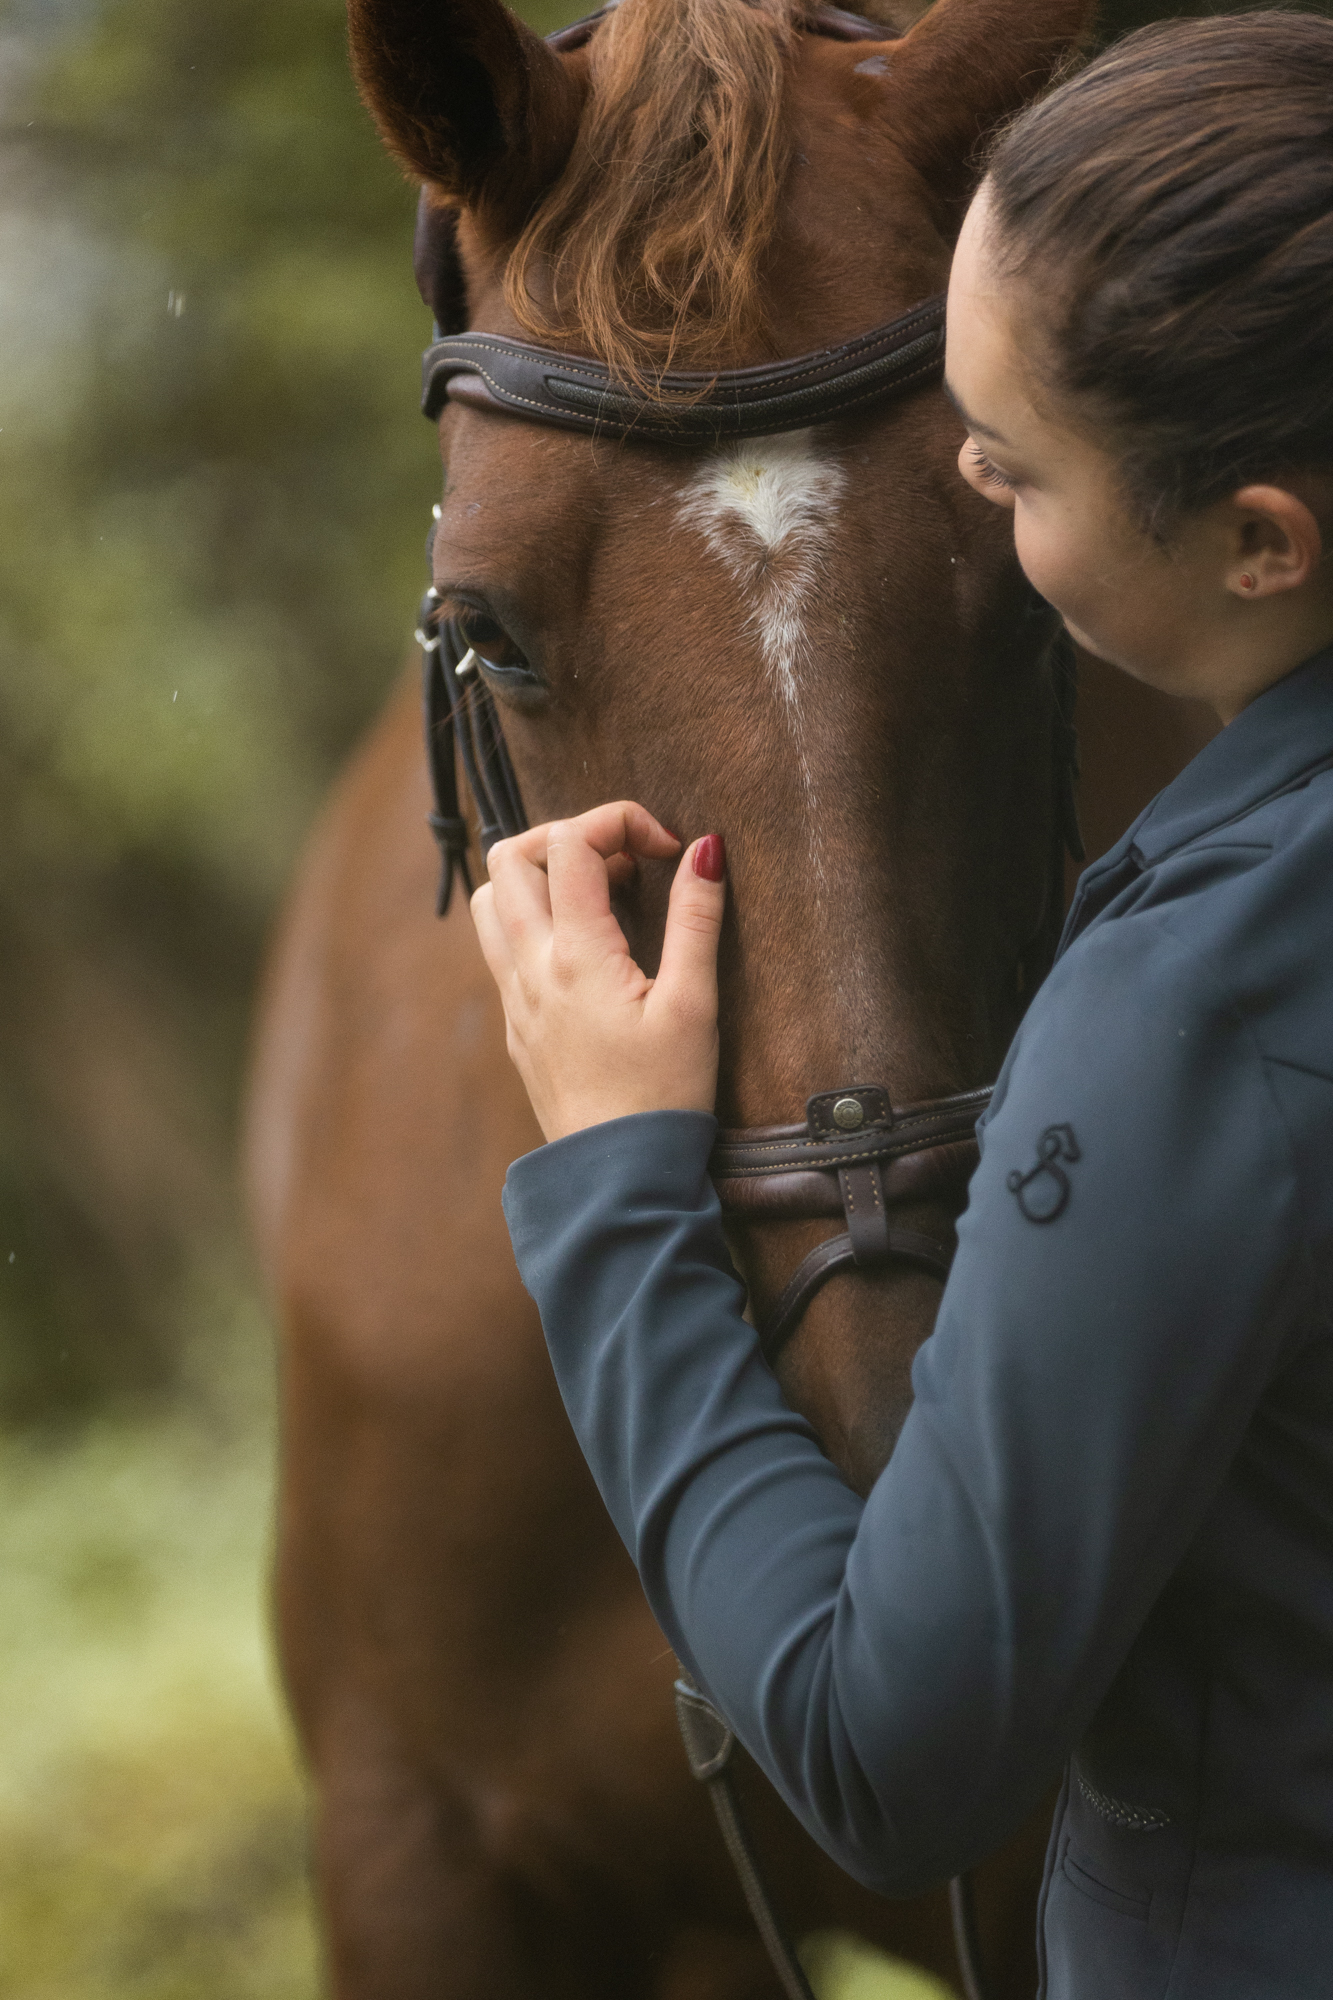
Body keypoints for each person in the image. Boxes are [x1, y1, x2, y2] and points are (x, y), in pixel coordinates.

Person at [470, 15, 1333, 1996]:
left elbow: (888, 1754)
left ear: (1259, 537)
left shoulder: (1188, 1016)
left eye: (1007, 470)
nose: (956, 466)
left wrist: (613, 1181)